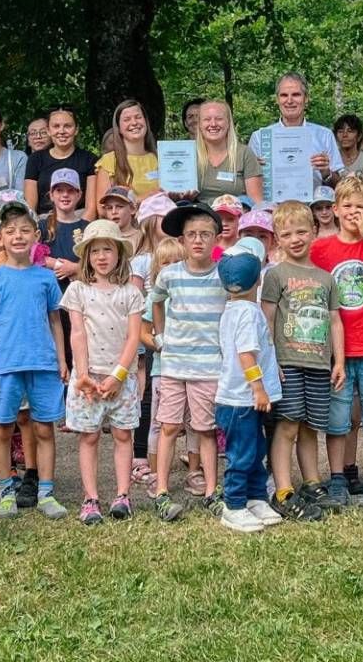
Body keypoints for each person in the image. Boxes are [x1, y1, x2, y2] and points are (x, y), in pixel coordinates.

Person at [0, 200, 68, 518]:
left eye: (25, 230)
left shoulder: (45, 278)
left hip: (43, 363)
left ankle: (46, 493)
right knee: (2, 427)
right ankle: (6, 492)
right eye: (11, 230)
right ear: (0, 237)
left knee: (44, 428)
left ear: (36, 236)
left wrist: (62, 360)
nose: (18, 236)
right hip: (7, 365)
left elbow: (55, 321)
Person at [311, 175, 363, 507]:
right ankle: (337, 477)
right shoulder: (321, 249)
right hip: (337, 350)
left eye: (360, 206)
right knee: (337, 418)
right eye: (346, 205)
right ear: (334, 209)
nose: (353, 211)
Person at [259, 200, 341, 522]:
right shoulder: (276, 275)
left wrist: (339, 361)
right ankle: (283, 490)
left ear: (314, 232)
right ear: (277, 239)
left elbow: (335, 321)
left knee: (311, 426)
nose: (295, 239)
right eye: (287, 234)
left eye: (301, 232)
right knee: (288, 424)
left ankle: (312, 482)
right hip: (287, 362)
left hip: (319, 363)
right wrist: (270, 361)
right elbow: (266, 319)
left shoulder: (326, 278)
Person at [60, 220, 144, 524]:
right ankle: (91, 497)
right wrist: (83, 374)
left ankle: (123, 495)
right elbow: (77, 332)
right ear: (86, 256)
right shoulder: (77, 290)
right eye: (95, 251)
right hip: (88, 377)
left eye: (107, 249)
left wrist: (118, 375)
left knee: (123, 434)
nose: (101, 256)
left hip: (122, 377)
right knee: (89, 436)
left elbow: (133, 337)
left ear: (119, 253)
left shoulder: (131, 292)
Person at [148, 203, 227, 520]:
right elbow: (156, 303)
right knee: (168, 426)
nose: (198, 240)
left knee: (205, 430)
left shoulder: (223, 275)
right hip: (173, 366)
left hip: (209, 367)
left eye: (205, 234)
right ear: (181, 240)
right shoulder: (170, 275)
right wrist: (160, 338)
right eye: (191, 234)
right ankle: (162, 491)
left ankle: (211, 491)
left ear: (216, 239)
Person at [211, 238, 283, 534]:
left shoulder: (232, 310)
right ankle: (234, 505)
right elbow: (246, 354)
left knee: (255, 450)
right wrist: (258, 388)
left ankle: (256, 497)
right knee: (241, 455)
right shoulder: (249, 313)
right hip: (242, 399)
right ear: (257, 280)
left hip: (240, 399)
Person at [247, 73, 341, 205]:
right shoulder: (260, 137)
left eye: (296, 95)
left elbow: (340, 187)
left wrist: (326, 172)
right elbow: (249, 187)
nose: (289, 100)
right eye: (284, 95)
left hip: (313, 211)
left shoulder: (324, 135)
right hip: (272, 211)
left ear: (306, 98)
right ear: (277, 99)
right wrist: (254, 170)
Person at [22, 105, 99, 219]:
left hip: (79, 218)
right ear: (48, 130)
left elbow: (91, 209)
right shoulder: (35, 159)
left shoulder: (89, 159)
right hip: (44, 221)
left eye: (67, 126)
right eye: (56, 126)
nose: (61, 131)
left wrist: (79, 227)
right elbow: (30, 207)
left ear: (76, 129)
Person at [191, 100, 260, 202]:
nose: (213, 124)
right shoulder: (189, 154)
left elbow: (256, 202)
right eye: (207, 119)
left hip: (235, 211)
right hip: (196, 211)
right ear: (199, 125)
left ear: (228, 123)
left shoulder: (244, 154)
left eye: (219, 119)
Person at [97, 98, 161, 201]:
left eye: (138, 117)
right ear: (119, 128)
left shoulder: (161, 158)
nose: (134, 122)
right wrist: (149, 197)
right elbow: (102, 207)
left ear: (146, 122)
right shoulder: (108, 161)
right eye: (127, 119)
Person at [333, 114, 363, 178]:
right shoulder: (331, 158)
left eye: (350, 131)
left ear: (359, 136)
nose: (344, 135)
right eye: (340, 131)